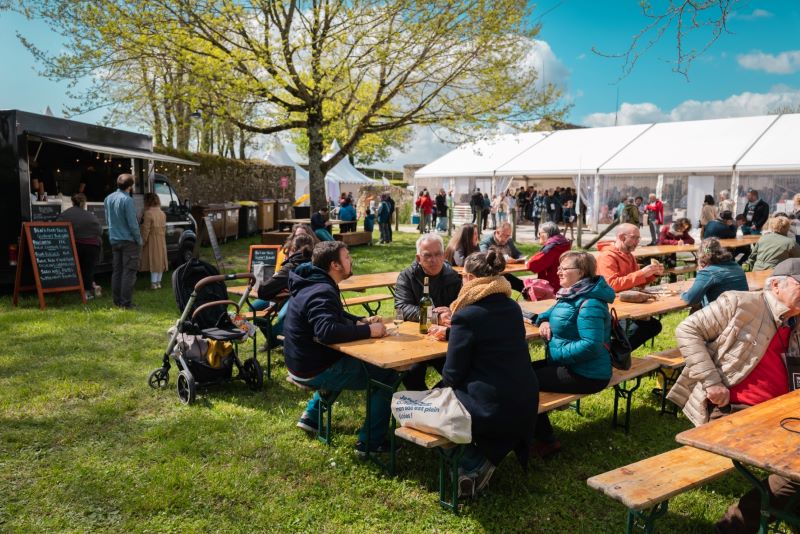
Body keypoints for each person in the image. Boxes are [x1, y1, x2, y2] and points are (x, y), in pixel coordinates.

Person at [667, 259, 800, 533]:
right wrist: (712, 382)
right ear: (776, 285)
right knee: (796, 467)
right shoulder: (740, 303)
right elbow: (687, 330)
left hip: (777, 412)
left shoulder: (795, 320)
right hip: (735, 412)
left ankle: (787, 507)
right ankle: (734, 525)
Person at [437, 249, 539, 497]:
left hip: (492, 404)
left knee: (432, 401)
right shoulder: (512, 307)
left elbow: (452, 374)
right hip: (525, 394)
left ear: (470, 279)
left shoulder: (466, 315)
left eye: (462, 276)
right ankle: (474, 462)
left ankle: (469, 462)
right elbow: (492, 338)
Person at [283, 241, 397, 456]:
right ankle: (370, 444)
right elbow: (326, 331)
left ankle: (311, 418)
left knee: (347, 362)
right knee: (387, 375)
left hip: (300, 361)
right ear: (335, 265)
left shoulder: (312, 281)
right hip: (312, 368)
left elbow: (335, 315)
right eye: (347, 257)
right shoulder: (322, 290)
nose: (351, 260)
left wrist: (358, 321)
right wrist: (369, 331)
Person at [533, 251, 615, 457]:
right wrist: (544, 321)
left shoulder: (590, 302)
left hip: (589, 374)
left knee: (523, 380)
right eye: (559, 268)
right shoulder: (570, 294)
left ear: (581, 273)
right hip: (572, 365)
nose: (558, 272)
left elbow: (591, 345)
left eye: (564, 268)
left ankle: (546, 441)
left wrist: (556, 353)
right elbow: (547, 314)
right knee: (520, 371)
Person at [394, 233, 462, 390]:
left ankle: (437, 398)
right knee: (412, 373)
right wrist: (435, 316)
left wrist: (451, 311)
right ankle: (423, 402)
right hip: (415, 340)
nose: (434, 260)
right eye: (427, 255)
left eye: (438, 254)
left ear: (444, 255)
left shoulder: (453, 276)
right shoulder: (407, 276)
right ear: (418, 258)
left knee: (458, 373)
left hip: (444, 338)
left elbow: (462, 306)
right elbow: (401, 307)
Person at [596, 224, 664, 350]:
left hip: (626, 303)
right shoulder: (607, 256)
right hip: (610, 308)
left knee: (654, 325)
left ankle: (618, 354)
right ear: (622, 237)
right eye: (634, 238)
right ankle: (613, 354)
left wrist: (652, 274)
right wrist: (641, 273)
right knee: (646, 327)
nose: (637, 242)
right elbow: (611, 285)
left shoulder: (629, 255)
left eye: (638, 238)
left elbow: (636, 283)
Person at [104, 174, 142, 309]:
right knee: (129, 272)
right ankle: (126, 303)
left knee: (117, 271)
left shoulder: (108, 198)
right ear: (130, 186)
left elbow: (107, 219)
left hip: (114, 239)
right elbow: (133, 224)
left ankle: (117, 301)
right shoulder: (128, 200)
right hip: (128, 240)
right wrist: (139, 239)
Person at [680, 237, 748, 309]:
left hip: (722, 313)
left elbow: (690, 299)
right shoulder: (737, 266)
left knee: (695, 309)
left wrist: (682, 293)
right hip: (742, 311)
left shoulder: (708, 272)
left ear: (702, 257)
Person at [57, 193, 102, 300]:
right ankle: (87, 292)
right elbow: (99, 231)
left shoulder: (65, 214)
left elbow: (58, 228)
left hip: (75, 245)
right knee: (88, 269)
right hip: (92, 246)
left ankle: (73, 287)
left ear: (72, 202)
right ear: (84, 203)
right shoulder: (91, 215)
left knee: (76, 268)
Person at [479, 222, 525, 293]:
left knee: (524, 286)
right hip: (491, 276)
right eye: (506, 236)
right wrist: (505, 259)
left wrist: (521, 258)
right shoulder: (486, 242)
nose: (507, 238)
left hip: (504, 273)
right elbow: (485, 257)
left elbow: (517, 254)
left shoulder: (509, 240)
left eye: (509, 235)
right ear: (497, 232)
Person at [525, 222, 571, 292]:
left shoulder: (552, 247)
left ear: (544, 234)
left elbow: (533, 265)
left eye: (539, 233)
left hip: (550, 287)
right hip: (563, 283)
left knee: (511, 279)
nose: (539, 236)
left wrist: (528, 261)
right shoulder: (564, 243)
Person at [139, 193, 168, 290]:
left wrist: (142, 241)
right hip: (161, 239)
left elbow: (145, 229)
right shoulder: (162, 213)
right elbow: (164, 229)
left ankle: (153, 283)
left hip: (152, 239)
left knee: (154, 260)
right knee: (160, 261)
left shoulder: (148, 213)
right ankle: (158, 282)